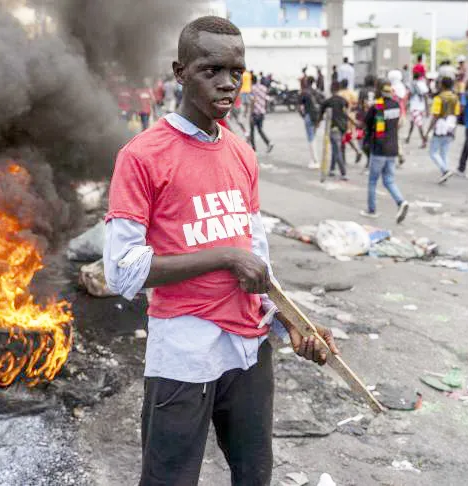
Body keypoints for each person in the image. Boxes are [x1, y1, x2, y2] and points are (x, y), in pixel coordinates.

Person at [103, 16, 338, 485]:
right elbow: (122, 271)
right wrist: (225, 258)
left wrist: (293, 321)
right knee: (169, 478)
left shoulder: (241, 153)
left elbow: (256, 252)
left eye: (237, 70)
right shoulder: (142, 156)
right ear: (180, 71)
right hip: (184, 350)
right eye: (211, 70)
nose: (228, 83)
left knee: (254, 474)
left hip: (250, 349)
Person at [361, 79, 410, 223]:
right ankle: (401, 201)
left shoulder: (378, 107)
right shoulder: (395, 105)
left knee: (372, 181)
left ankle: (371, 210)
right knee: (389, 180)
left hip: (380, 149)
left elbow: (371, 126)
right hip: (393, 148)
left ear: (378, 90)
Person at [426, 77, 460, 183]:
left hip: (440, 127)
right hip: (451, 126)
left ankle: (445, 170)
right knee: (444, 152)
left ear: (442, 85)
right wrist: (455, 130)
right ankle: (444, 173)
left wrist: (427, 131)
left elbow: (435, 116)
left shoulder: (438, 98)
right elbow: (456, 115)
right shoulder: (455, 98)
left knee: (433, 152)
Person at [322, 81, 351, 179]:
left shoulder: (328, 101)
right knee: (336, 148)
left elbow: (320, 114)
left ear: (331, 89)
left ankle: (343, 173)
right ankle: (332, 169)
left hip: (334, 128)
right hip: (343, 127)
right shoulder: (343, 100)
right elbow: (347, 112)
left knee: (337, 150)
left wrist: (316, 124)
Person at [337, 79, 363, 164]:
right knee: (347, 136)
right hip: (352, 116)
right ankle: (355, 151)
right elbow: (356, 104)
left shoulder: (339, 94)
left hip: (343, 117)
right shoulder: (352, 93)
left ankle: (345, 158)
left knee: (343, 137)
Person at [300, 76, 321, 169]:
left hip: (308, 115)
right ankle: (314, 159)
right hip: (316, 116)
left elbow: (300, 107)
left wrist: (303, 116)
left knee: (310, 138)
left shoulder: (304, 92)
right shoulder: (317, 92)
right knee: (314, 137)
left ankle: (315, 160)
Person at [248, 73, 273, 152]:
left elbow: (252, 101)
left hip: (255, 113)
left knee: (252, 130)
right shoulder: (263, 88)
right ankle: (268, 142)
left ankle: (253, 148)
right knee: (260, 129)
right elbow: (266, 99)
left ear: (251, 80)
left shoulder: (252, 89)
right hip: (262, 112)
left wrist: (251, 114)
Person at [406, 71, 429, 147]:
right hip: (421, 107)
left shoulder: (411, 84)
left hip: (414, 107)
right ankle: (408, 138)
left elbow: (408, 96)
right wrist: (427, 108)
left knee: (418, 125)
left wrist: (406, 105)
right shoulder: (422, 84)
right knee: (413, 123)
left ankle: (424, 141)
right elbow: (426, 96)